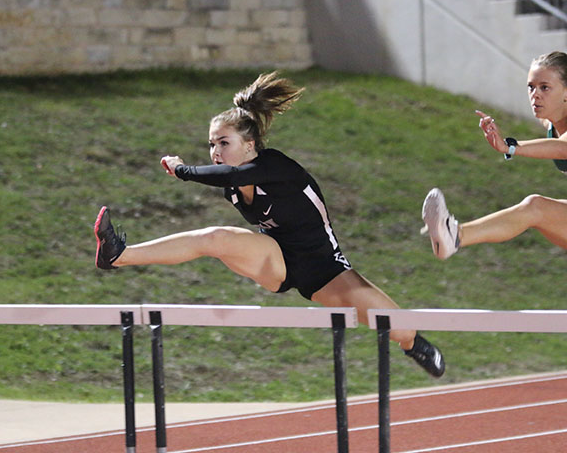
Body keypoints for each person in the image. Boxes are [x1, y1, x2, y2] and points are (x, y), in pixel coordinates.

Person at [95, 71, 444, 377]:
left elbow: (230, 172)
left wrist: (182, 170)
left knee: (401, 328)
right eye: (211, 143)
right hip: (277, 259)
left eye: (224, 143)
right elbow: (229, 176)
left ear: (250, 145)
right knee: (215, 238)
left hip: (325, 268)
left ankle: (414, 345)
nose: (215, 151)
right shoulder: (233, 189)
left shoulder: (275, 166)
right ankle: (119, 254)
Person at [423, 51, 567, 260]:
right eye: (531, 87)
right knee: (534, 208)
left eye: (545, 87)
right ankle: (453, 236)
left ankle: (455, 236)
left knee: (536, 207)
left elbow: (562, 148)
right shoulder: (551, 121)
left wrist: (509, 147)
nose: (535, 94)